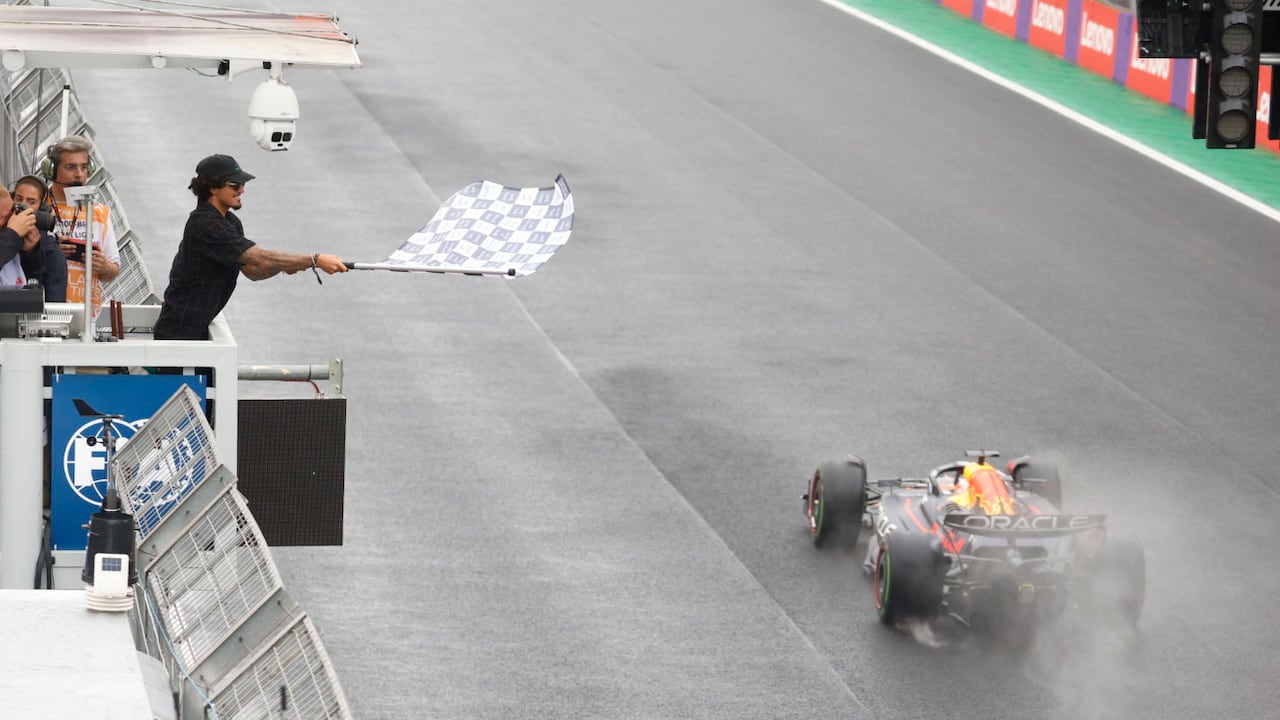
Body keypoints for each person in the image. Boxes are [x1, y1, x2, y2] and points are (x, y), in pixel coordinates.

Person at [152, 154, 348, 341]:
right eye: (235, 185)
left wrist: (288, 265)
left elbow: (253, 271)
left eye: (243, 184)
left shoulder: (230, 222)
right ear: (213, 187)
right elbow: (260, 258)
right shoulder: (205, 225)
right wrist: (314, 260)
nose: (242, 190)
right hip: (178, 335)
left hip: (196, 332)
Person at [44, 136, 121, 308]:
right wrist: (50, 253)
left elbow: (113, 269)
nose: (79, 174)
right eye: (71, 167)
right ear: (52, 170)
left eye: (84, 167)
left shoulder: (99, 212)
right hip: (42, 309)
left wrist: (104, 267)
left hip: (86, 316)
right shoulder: (36, 205)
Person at [11, 175, 68, 302]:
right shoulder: (5, 238)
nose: (22, 206)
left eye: (31, 202)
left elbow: (55, 305)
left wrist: (32, 253)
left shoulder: (52, 252)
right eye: (19, 199)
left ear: (42, 209)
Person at [0, 186, 44, 287]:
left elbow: (35, 278)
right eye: (3, 217)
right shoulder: (9, 238)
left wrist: (29, 252)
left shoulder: (9, 240)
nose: (10, 220)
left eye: (11, 213)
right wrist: (12, 234)